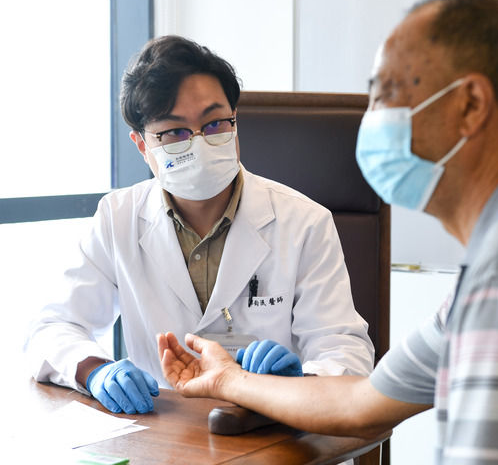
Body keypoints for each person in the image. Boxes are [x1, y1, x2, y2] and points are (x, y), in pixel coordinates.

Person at [157, 0, 498, 463]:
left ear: (471, 104)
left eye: (386, 94)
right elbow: (365, 403)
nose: (371, 119)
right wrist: (229, 380)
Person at [24, 36, 374, 415]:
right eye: (174, 132)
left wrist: (299, 382)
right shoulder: (117, 217)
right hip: (161, 431)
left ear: (235, 122)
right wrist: (96, 371)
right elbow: (52, 328)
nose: (199, 143)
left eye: (215, 124)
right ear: (142, 146)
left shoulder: (304, 222)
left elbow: (345, 352)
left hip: (272, 426)